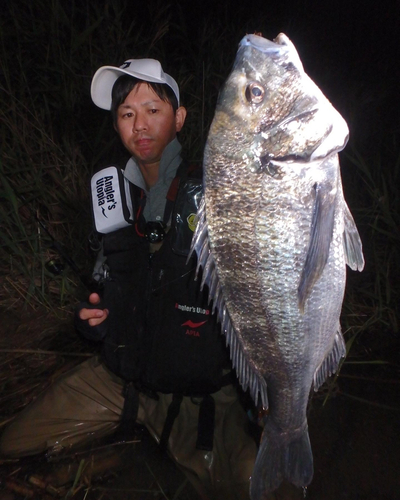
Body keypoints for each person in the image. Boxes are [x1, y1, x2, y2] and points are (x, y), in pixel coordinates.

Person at [0, 58, 258, 500]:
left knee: (267, 489)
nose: (139, 124)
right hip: (119, 381)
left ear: (179, 118)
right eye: (126, 114)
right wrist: (92, 320)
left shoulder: (220, 194)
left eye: (152, 109)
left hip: (203, 402)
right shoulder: (110, 198)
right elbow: (106, 290)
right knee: (8, 446)